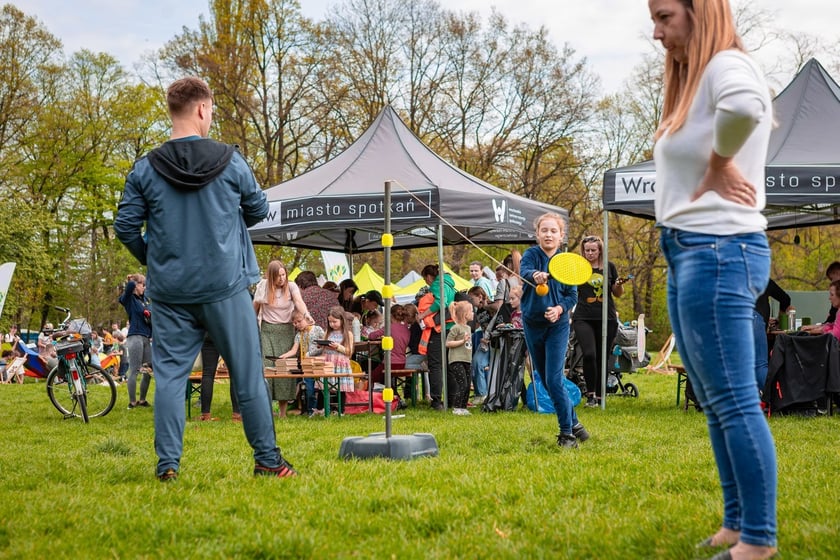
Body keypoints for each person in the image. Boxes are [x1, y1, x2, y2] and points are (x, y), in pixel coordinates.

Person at [114, 76, 296, 480]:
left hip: (170, 292)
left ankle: (168, 467)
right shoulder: (231, 161)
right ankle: (267, 461)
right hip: (226, 287)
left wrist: (156, 261)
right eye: (211, 110)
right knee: (247, 376)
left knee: (171, 379)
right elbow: (257, 209)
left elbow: (126, 226)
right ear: (201, 109)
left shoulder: (145, 168)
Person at [649, 0, 777, 557]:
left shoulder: (728, 65)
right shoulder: (698, 79)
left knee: (734, 399)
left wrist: (721, 162)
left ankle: (758, 540)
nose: (656, 32)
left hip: (720, 249)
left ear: (701, 11)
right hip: (690, 250)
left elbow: (747, 107)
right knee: (713, 395)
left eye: (665, 16)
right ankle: (735, 521)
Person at [519, 212, 589, 449]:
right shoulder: (531, 255)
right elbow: (525, 271)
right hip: (531, 324)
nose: (548, 234)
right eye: (544, 230)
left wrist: (559, 309)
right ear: (537, 233)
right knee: (546, 380)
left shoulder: (567, 263)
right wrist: (536, 275)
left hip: (557, 326)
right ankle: (576, 422)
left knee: (554, 378)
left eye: (553, 231)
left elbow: (572, 296)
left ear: (561, 236)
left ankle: (567, 433)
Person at [253, 260, 312, 419]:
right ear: (271, 276)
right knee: (268, 367)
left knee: (284, 368)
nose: (281, 278)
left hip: (286, 330)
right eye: (278, 276)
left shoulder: (292, 287)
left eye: (283, 274)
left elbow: (299, 302)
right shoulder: (263, 286)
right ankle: (267, 409)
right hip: (267, 330)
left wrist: (306, 315)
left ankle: (283, 412)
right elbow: (255, 307)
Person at [573, 235, 625, 408]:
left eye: (593, 250)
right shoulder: (579, 268)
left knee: (603, 357)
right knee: (589, 354)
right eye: (586, 250)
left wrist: (618, 285)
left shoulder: (609, 267)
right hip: (583, 316)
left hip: (606, 318)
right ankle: (590, 395)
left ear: (600, 250)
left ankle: (600, 395)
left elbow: (618, 293)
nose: (590, 253)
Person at [417, 264, 455, 410]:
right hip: (450, 328)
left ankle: (436, 401)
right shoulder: (449, 283)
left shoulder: (437, 284)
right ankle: (451, 400)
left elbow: (440, 303)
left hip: (438, 330)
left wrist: (422, 315)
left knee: (436, 366)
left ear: (428, 277)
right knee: (449, 366)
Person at [278, 310, 325, 416]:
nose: (297, 325)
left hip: (319, 363)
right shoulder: (299, 335)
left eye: (299, 321)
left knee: (323, 387)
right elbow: (294, 350)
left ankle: (323, 408)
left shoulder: (317, 330)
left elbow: (325, 342)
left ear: (307, 319)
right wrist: (283, 356)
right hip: (307, 365)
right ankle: (310, 411)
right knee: (309, 388)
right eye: (294, 323)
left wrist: (318, 349)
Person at [119, 274, 153, 409]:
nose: (144, 287)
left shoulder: (146, 301)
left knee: (148, 370)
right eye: (142, 285)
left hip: (146, 337)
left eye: (145, 285)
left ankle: (142, 400)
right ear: (136, 285)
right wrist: (132, 280)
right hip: (135, 337)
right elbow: (129, 288)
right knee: (134, 370)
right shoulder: (129, 299)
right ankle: (132, 402)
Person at [753, 279, 792, 390]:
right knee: (760, 365)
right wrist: (779, 317)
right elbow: (785, 299)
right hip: (754, 319)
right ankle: (772, 399)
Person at [197, 335, 241, 422]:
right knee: (235, 375)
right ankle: (237, 415)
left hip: (209, 333)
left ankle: (205, 415)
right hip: (229, 335)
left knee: (208, 374)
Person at [366, 304, 410, 386]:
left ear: (390, 316)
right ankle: (393, 393)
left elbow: (371, 336)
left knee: (371, 378)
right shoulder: (406, 329)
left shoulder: (389, 327)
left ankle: (372, 397)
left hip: (389, 363)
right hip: (402, 363)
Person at [319, 306, 355, 403]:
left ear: (342, 320)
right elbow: (324, 348)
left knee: (340, 386)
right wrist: (321, 345)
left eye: (334, 321)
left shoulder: (348, 334)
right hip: (328, 361)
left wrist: (337, 346)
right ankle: (324, 407)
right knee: (325, 384)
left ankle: (340, 408)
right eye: (330, 322)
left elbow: (349, 351)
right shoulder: (327, 332)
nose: (332, 324)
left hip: (340, 362)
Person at [445, 300, 473, 415]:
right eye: (471, 311)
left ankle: (463, 406)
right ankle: (457, 407)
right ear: (465, 314)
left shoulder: (468, 328)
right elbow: (448, 343)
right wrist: (462, 341)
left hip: (467, 359)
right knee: (463, 383)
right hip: (456, 360)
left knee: (468, 383)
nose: (473, 313)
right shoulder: (456, 328)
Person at [467, 286, 492, 405]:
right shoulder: (478, 311)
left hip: (493, 341)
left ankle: (483, 394)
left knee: (478, 362)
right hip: (484, 342)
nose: (471, 302)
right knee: (476, 363)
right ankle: (480, 393)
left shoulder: (490, 306)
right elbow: (476, 326)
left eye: (472, 299)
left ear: (480, 297)